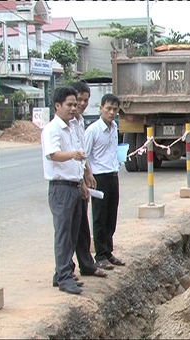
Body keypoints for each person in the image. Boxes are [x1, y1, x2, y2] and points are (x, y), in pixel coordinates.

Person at [42, 86, 88, 294]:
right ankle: (63, 276)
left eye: (74, 104)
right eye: (69, 105)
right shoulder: (52, 129)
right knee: (63, 233)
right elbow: (53, 154)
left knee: (72, 233)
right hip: (61, 188)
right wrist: (72, 155)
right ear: (57, 106)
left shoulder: (72, 127)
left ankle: (63, 272)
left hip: (74, 185)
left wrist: (84, 181)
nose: (73, 108)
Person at [71, 81, 111, 277]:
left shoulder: (79, 122)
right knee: (69, 229)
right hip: (67, 183)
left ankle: (87, 264)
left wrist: (86, 173)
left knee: (82, 227)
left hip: (80, 180)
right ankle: (64, 272)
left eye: (86, 100)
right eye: (79, 100)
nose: (82, 104)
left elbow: (83, 154)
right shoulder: (67, 125)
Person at [85, 93, 126, 270]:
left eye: (115, 109)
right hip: (99, 177)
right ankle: (100, 254)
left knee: (111, 215)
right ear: (101, 108)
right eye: (108, 108)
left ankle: (108, 251)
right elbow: (84, 155)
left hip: (112, 175)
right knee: (99, 216)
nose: (111, 112)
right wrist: (88, 175)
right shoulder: (93, 131)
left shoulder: (114, 127)